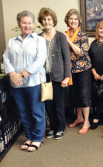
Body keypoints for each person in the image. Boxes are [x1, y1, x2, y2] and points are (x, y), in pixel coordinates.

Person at [3, 10, 47, 152]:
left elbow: (39, 60)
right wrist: (13, 75)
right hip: (16, 84)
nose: (27, 25)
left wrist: (21, 75)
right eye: (24, 22)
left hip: (34, 82)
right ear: (19, 24)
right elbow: (6, 59)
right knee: (23, 112)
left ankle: (38, 138)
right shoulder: (11, 41)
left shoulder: (39, 40)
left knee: (36, 111)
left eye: (29, 23)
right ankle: (29, 136)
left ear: (33, 25)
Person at [38, 8, 71, 139]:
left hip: (58, 76)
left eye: (49, 19)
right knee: (48, 104)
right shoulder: (38, 37)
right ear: (41, 21)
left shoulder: (60, 36)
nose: (47, 22)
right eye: (44, 19)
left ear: (53, 21)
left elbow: (67, 58)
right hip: (43, 76)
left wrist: (66, 77)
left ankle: (60, 127)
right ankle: (52, 127)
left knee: (58, 104)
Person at [64, 9, 91, 134]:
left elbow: (81, 53)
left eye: (75, 19)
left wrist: (69, 41)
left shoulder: (83, 35)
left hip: (83, 68)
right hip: (70, 70)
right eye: (71, 18)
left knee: (84, 94)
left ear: (78, 21)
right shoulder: (64, 33)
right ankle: (79, 118)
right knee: (75, 95)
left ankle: (87, 121)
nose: (73, 21)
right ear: (67, 20)